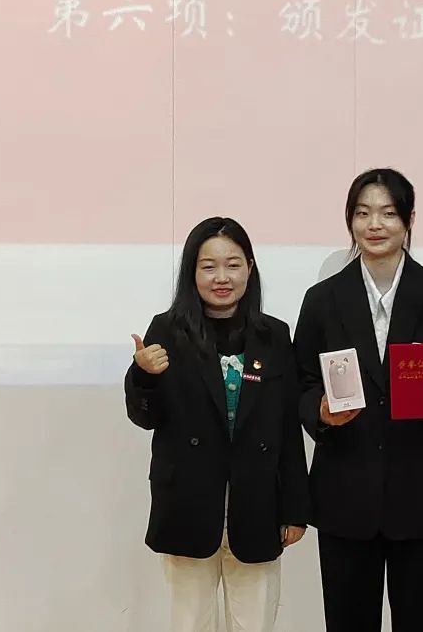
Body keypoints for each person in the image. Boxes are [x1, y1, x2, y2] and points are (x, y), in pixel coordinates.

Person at [294, 168, 423, 632]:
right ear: (350, 220)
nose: (374, 225)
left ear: (409, 219)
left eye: (387, 213)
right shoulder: (322, 300)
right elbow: (300, 383)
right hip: (346, 498)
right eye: (362, 214)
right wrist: (319, 411)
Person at [124, 216, 309, 632]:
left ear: (250, 269)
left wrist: (296, 508)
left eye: (233, 264)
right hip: (187, 504)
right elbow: (145, 417)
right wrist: (143, 375)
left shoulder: (275, 336)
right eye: (208, 266)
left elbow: (287, 427)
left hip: (258, 508)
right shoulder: (167, 330)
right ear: (192, 272)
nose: (221, 277)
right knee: (190, 623)